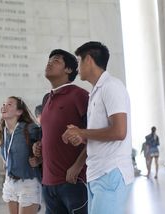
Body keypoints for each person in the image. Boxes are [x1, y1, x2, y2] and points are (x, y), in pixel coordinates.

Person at [62, 41, 134, 214]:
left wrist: (81, 131)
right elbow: (101, 133)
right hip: (97, 173)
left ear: (88, 60)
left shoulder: (111, 86)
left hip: (111, 172)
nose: (77, 67)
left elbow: (119, 132)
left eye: (79, 61)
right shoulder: (96, 91)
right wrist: (80, 136)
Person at [33, 49, 89, 214]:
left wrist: (77, 166)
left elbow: (93, 134)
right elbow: (46, 134)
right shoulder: (46, 99)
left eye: (56, 60)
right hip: (48, 183)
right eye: (49, 60)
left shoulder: (80, 95)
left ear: (69, 70)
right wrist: (38, 146)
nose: (49, 63)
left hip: (73, 181)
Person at [0, 96, 42, 214]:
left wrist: (39, 159)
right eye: (3, 104)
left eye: (9, 104)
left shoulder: (30, 129)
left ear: (19, 111)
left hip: (28, 183)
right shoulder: (3, 132)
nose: (4, 106)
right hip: (9, 183)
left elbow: (48, 145)